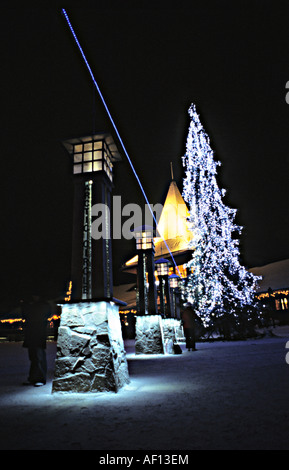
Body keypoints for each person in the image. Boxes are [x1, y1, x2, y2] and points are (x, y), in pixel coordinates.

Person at [22, 294, 51, 387]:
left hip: (37, 333)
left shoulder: (39, 306)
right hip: (33, 333)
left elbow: (26, 315)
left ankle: (39, 378)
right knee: (34, 357)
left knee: (38, 356)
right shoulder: (40, 305)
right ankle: (34, 378)